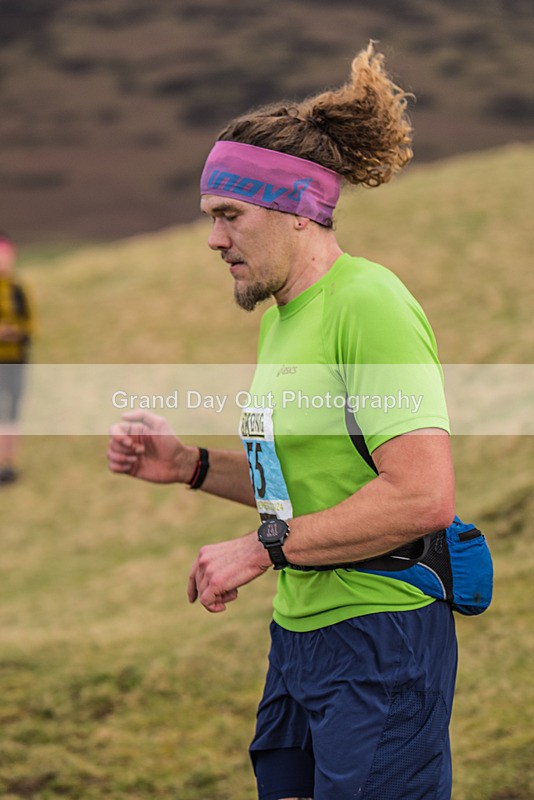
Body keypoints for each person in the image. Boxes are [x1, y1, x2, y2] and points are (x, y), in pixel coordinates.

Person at [108, 43, 458, 800]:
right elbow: (302, 487)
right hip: (300, 639)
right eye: (210, 217)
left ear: (297, 210)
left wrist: (262, 549)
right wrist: (187, 465)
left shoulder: (369, 304)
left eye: (228, 215)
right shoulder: (281, 319)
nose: (213, 239)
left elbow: (422, 495)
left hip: (381, 639)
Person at [0, 234, 33, 485]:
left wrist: (15, 332)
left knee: (12, 413)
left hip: (17, 361)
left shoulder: (19, 291)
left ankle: (9, 464)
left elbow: (31, 325)